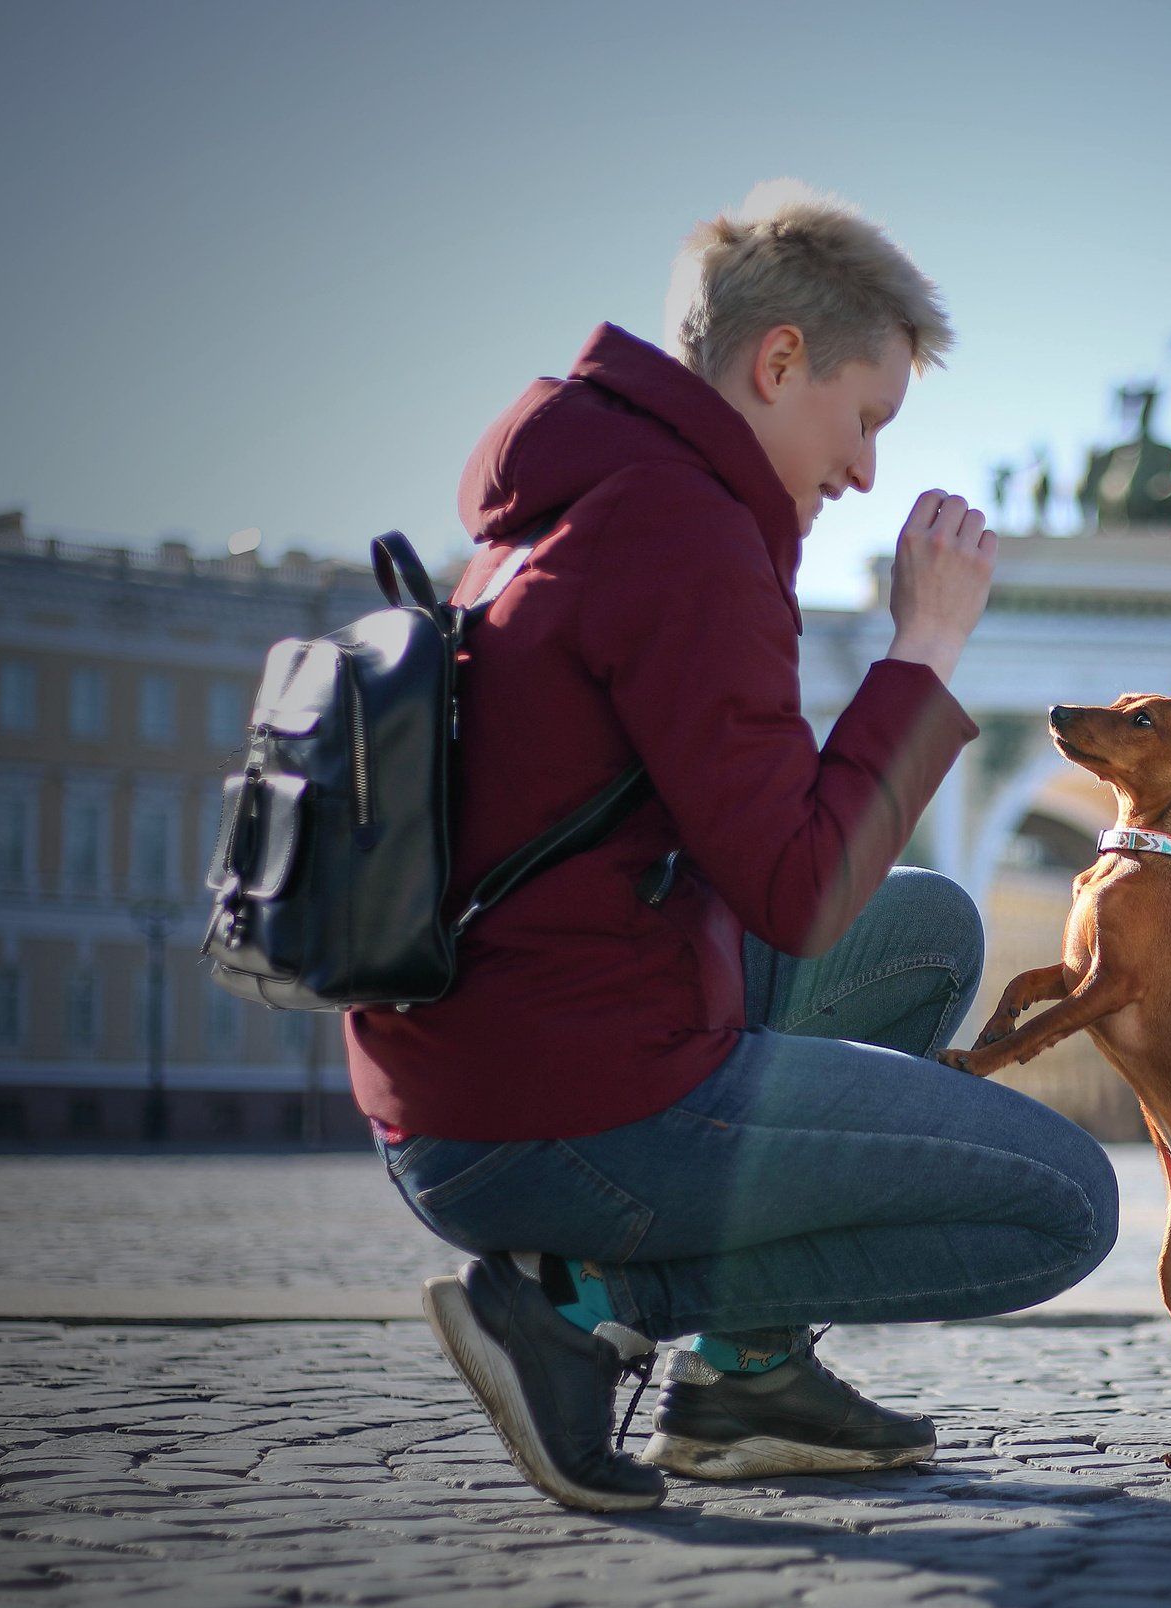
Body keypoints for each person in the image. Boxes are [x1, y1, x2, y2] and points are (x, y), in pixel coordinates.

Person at [351, 182, 1119, 1513]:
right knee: (1061, 1203)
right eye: (864, 416)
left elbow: (766, 855)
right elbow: (798, 890)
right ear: (778, 363)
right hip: (554, 1110)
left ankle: (747, 1381)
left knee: (926, 931)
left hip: (487, 1056)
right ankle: (589, 1308)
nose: (868, 468)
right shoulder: (688, 537)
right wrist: (926, 649)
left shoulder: (578, 494)